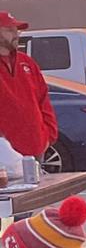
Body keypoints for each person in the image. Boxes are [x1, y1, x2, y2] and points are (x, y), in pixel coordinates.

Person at [0, 13, 57, 186]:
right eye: (10, 30)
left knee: (29, 206)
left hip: (34, 151)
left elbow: (43, 100)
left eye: (17, 30)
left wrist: (48, 135)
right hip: (5, 157)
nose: (16, 34)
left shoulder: (27, 63)